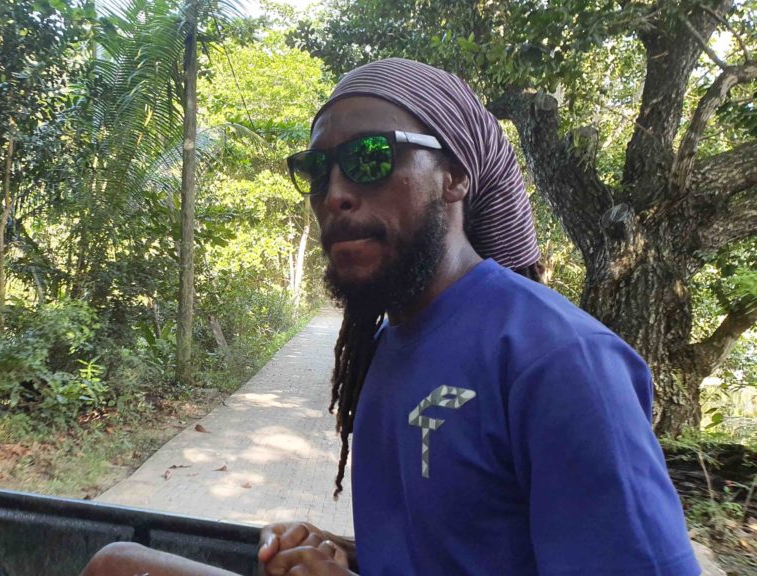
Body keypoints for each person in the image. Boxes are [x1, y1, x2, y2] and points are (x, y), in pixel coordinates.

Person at [79, 58, 700, 576]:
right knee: (118, 564)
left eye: (372, 158)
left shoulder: (559, 359)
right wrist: (331, 551)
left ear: (454, 175)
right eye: (317, 170)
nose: (336, 193)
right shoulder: (389, 342)